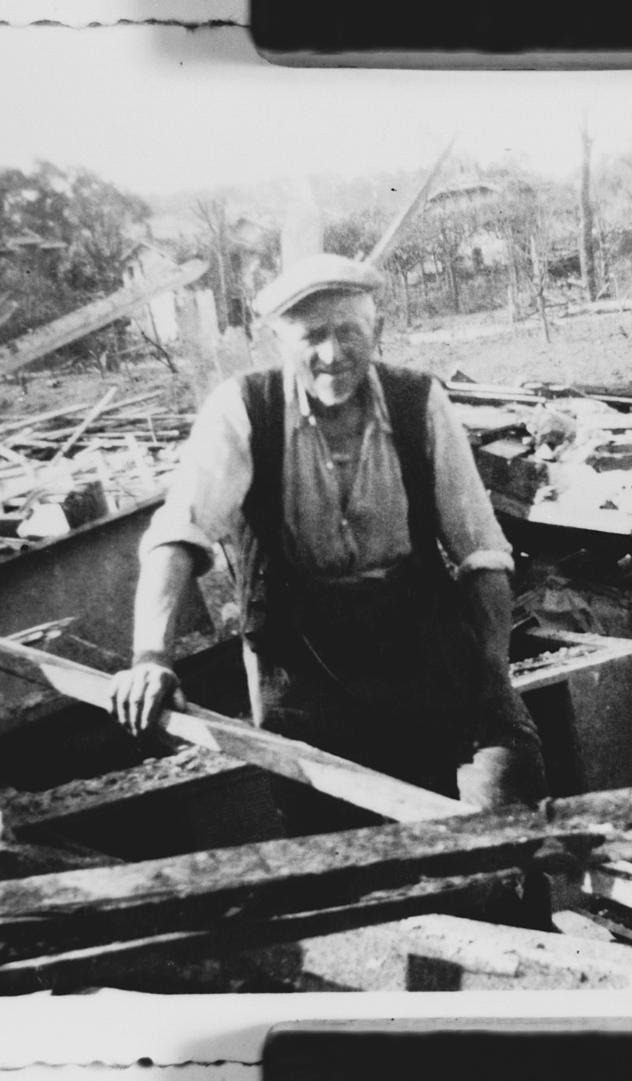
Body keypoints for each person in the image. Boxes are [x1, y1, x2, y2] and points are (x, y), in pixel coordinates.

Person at [108, 253, 546, 811]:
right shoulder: (244, 410)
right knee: (334, 837)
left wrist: (494, 682)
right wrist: (151, 657)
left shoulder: (419, 402)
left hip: (417, 645)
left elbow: (482, 552)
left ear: (378, 331)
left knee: (495, 797)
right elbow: (180, 533)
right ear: (280, 343)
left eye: (349, 332)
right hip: (301, 664)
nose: (333, 354)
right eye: (312, 336)